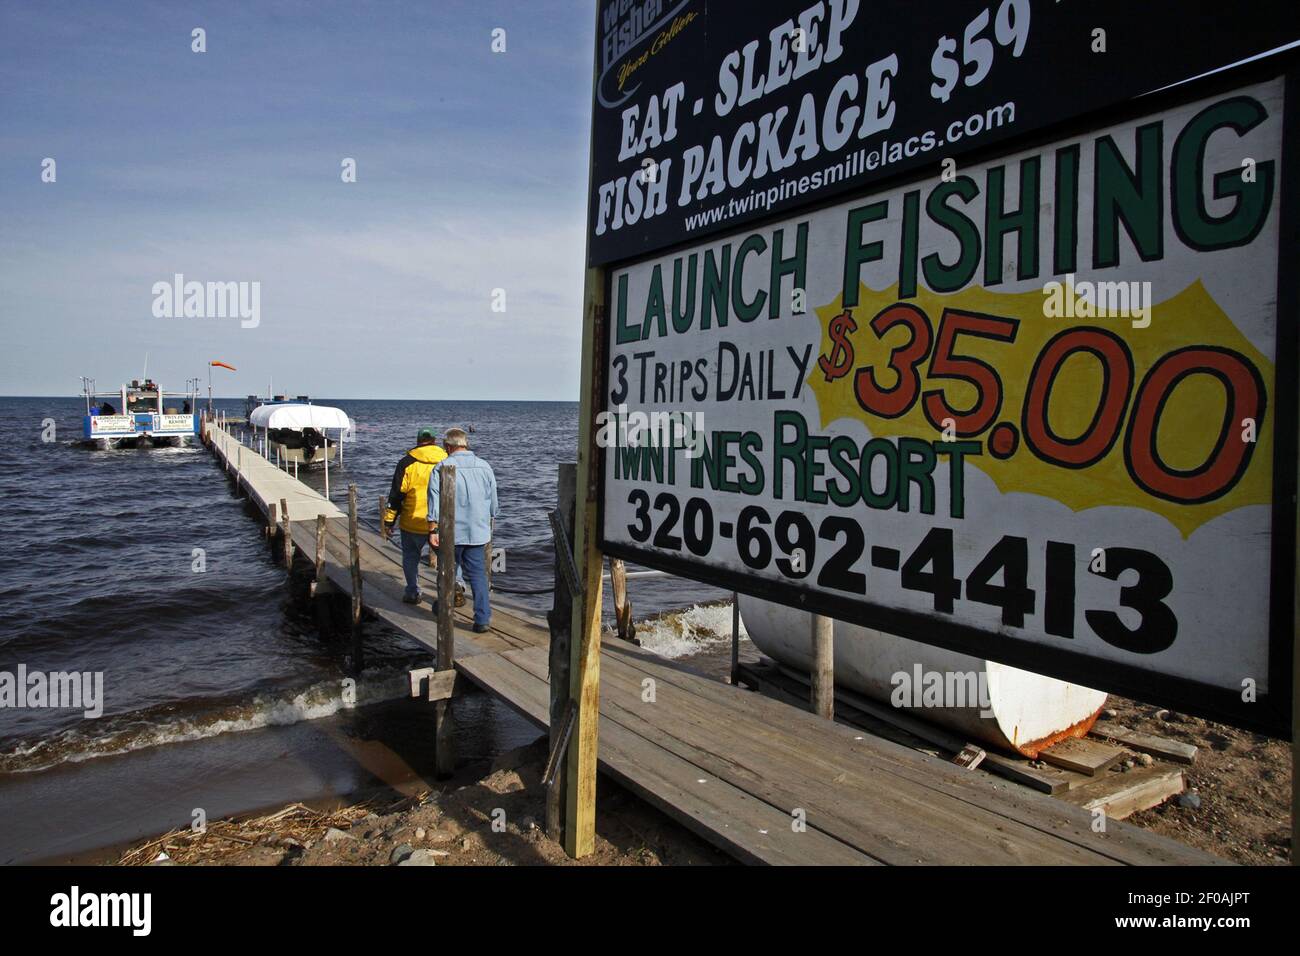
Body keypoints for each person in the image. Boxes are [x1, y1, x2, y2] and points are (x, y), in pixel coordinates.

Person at [428, 427, 498, 632]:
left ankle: (445, 606)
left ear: (447, 446)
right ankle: (482, 619)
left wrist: (432, 530)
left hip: (450, 532)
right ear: (465, 444)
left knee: (446, 570)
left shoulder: (441, 467)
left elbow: (434, 504)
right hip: (478, 531)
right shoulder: (485, 467)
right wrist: (489, 517)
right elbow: (493, 503)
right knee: (478, 576)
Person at [382, 427, 447, 604]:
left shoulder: (406, 463)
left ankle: (412, 591)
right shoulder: (447, 461)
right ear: (435, 441)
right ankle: (447, 592)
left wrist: (389, 522)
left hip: (411, 521)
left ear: (418, 441)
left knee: (411, 557)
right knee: (447, 559)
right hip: (441, 522)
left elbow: (396, 496)